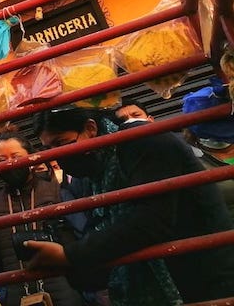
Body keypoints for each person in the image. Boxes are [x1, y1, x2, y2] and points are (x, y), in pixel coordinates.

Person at [28, 105, 234, 305]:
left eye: (61, 143)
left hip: (208, 280)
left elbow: (150, 221)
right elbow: (103, 227)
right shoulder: (98, 167)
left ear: (90, 128)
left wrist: (69, 256)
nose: (56, 155)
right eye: (48, 149)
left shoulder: (143, 140)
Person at [0, 129, 84, 306]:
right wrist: (3, 296)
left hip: (66, 293)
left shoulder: (57, 192)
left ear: (31, 158)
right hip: (18, 298)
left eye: (15, 156)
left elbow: (82, 236)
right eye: (1, 160)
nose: (10, 164)